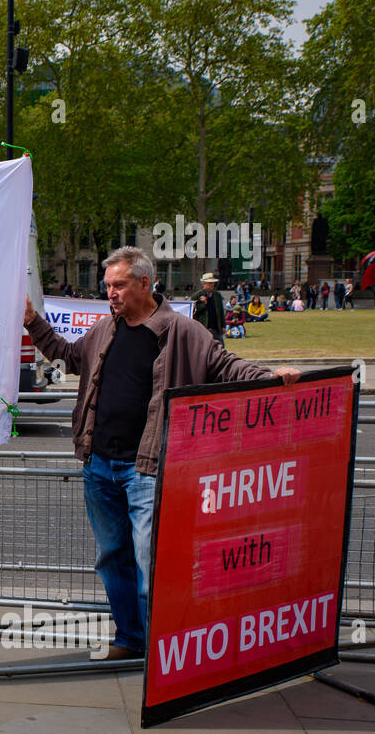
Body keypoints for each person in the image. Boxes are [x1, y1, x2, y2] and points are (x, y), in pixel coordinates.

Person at [24, 247, 300, 660]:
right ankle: (130, 639)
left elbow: (226, 366)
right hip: (98, 465)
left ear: (144, 284)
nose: (111, 293)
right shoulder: (106, 329)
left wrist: (270, 376)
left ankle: (164, 653)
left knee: (151, 565)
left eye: (118, 285)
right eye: (107, 286)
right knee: (111, 559)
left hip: (147, 470)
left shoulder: (181, 331)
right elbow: (69, 356)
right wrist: (32, 322)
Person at [192, 272, 225, 344]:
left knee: (220, 346)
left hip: (216, 327)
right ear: (203, 283)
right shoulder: (197, 296)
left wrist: (223, 325)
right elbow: (194, 312)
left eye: (213, 283)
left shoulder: (217, 295)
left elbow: (221, 311)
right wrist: (203, 304)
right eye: (209, 283)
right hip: (204, 327)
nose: (212, 285)